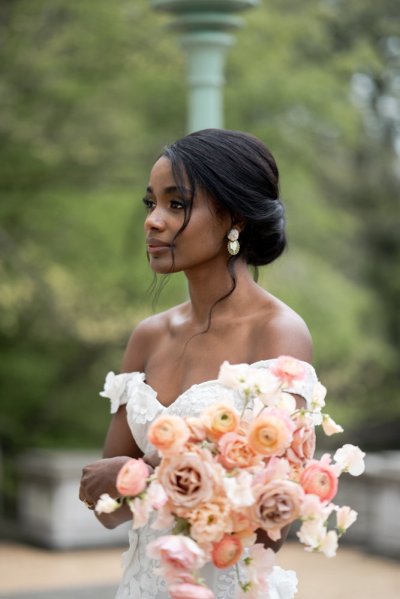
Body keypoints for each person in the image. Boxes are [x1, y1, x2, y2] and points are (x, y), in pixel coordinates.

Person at [79, 128, 317, 599]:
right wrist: (131, 481)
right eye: (151, 204)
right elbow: (107, 507)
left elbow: (272, 526)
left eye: (177, 204)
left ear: (234, 218)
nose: (154, 221)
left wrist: (145, 474)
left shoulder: (277, 333)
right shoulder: (148, 337)